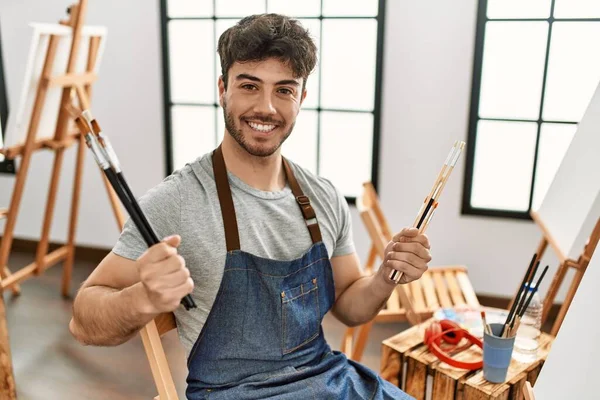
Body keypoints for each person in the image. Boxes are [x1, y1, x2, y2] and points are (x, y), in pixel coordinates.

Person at [70, 13, 431, 400]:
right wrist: (144, 298)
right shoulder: (177, 201)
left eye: (284, 90)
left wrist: (385, 278)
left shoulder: (323, 196)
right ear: (223, 88)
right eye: (249, 86)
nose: (267, 108)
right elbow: (83, 320)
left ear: (301, 98)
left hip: (328, 381)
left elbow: (350, 306)